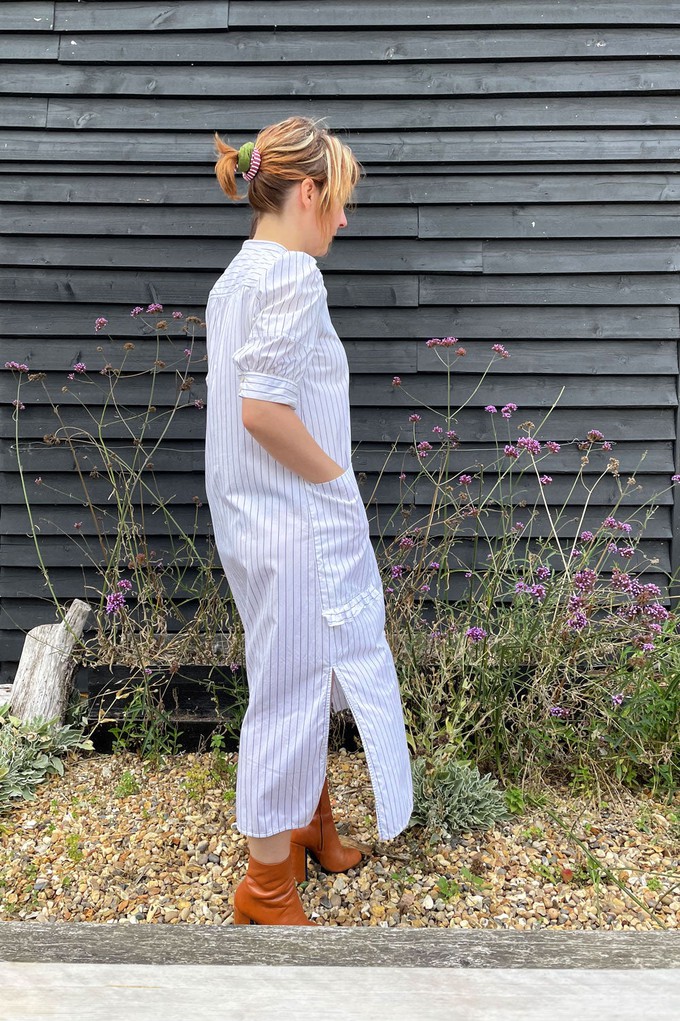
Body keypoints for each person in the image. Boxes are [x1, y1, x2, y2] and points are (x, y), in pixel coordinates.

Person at [205, 116, 413, 926]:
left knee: (307, 671)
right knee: (293, 690)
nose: (345, 221)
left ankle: (309, 823)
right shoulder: (291, 275)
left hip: (256, 517)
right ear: (310, 192)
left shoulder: (239, 276)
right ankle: (266, 887)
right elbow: (262, 410)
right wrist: (337, 478)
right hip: (293, 518)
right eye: (342, 202)